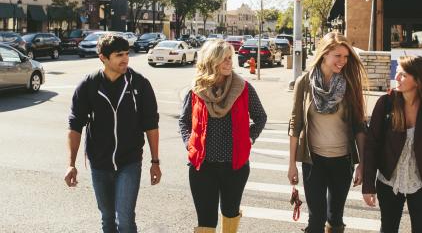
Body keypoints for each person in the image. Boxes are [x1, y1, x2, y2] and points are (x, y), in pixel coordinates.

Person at [64, 34, 161, 232]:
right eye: (119, 55)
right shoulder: (89, 85)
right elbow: (75, 126)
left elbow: (151, 124)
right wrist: (71, 164)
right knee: (107, 218)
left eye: (127, 53)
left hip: (129, 162)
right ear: (103, 58)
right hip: (99, 163)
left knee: (125, 220)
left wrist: (155, 162)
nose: (125, 59)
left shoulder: (139, 84)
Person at [179, 40, 267, 233]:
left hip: (234, 166)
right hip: (203, 167)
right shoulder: (196, 90)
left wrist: (249, 139)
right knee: (206, 220)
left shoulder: (243, 88)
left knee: (230, 212)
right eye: (223, 59)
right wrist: (189, 144)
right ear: (211, 61)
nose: (229, 63)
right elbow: (184, 121)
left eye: (230, 58)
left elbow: (260, 117)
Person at [288, 32, 368, 233]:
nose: (342, 61)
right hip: (313, 160)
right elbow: (295, 124)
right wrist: (292, 165)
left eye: (346, 56)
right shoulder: (304, 82)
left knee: (335, 218)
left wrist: (362, 165)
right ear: (324, 54)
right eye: (337, 56)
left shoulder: (350, 83)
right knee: (316, 220)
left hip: (343, 160)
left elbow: (359, 126)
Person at [362, 55, 422, 233]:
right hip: (389, 182)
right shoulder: (386, 103)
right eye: (397, 73)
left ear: (418, 80)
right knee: (388, 229)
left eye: (402, 75)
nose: (396, 78)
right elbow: (372, 145)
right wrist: (368, 185)